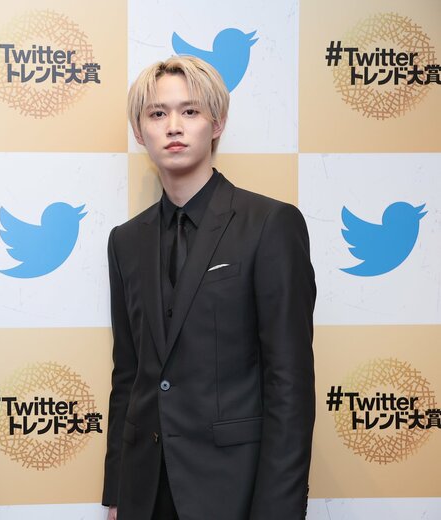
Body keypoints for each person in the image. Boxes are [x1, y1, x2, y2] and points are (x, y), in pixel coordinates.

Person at [102, 56, 315, 519]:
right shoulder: (125, 241)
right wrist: (117, 494)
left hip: (234, 491)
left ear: (216, 124)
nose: (173, 126)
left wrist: (277, 510)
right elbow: (129, 376)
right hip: (145, 492)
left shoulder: (269, 225)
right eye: (157, 113)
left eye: (190, 111)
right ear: (139, 132)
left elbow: (289, 383)